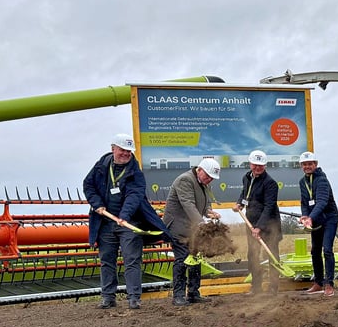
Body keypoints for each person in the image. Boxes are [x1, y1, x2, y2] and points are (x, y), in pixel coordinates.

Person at [83, 133, 169, 310]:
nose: (126, 154)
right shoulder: (101, 165)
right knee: (107, 260)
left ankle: (134, 298)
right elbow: (88, 185)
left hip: (130, 223)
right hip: (105, 222)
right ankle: (108, 298)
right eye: (122, 150)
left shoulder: (135, 171)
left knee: (132, 260)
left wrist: (125, 215)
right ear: (113, 148)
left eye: (129, 151)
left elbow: (135, 195)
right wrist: (97, 204)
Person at [163, 157, 222, 306]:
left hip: (192, 228)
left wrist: (210, 212)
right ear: (199, 170)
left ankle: (194, 293)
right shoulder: (185, 180)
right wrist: (201, 223)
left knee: (196, 258)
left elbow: (205, 204)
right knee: (182, 259)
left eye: (212, 178)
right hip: (177, 227)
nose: (210, 180)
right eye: (208, 176)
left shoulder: (204, 183)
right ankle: (178, 295)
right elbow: (188, 204)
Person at [232, 150, 282, 295]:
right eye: (255, 165)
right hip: (251, 222)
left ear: (265, 166)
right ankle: (256, 287)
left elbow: (269, 207)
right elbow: (245, 193)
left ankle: (273, 288)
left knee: (272, 255)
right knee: (253, 255)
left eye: (260, 165)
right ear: (250, 164)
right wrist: (239, 204)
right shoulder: (246, 177)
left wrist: (259, 227)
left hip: (269, 225)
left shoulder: (270, 183)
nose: (257, 168)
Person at [298, 151, 338, 296]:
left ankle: (329, 284)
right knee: (315, 250)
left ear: (315, 164)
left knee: (327, 249)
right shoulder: (302, 182)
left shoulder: (322, 180)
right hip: (315, 219)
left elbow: (322, 201)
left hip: (329, 218)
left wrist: (310, 217)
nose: (307, 166)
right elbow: (304, 202)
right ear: (301, 166)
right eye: (305, 164)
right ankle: (318, 282)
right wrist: (305, 215)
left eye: (310, 164)